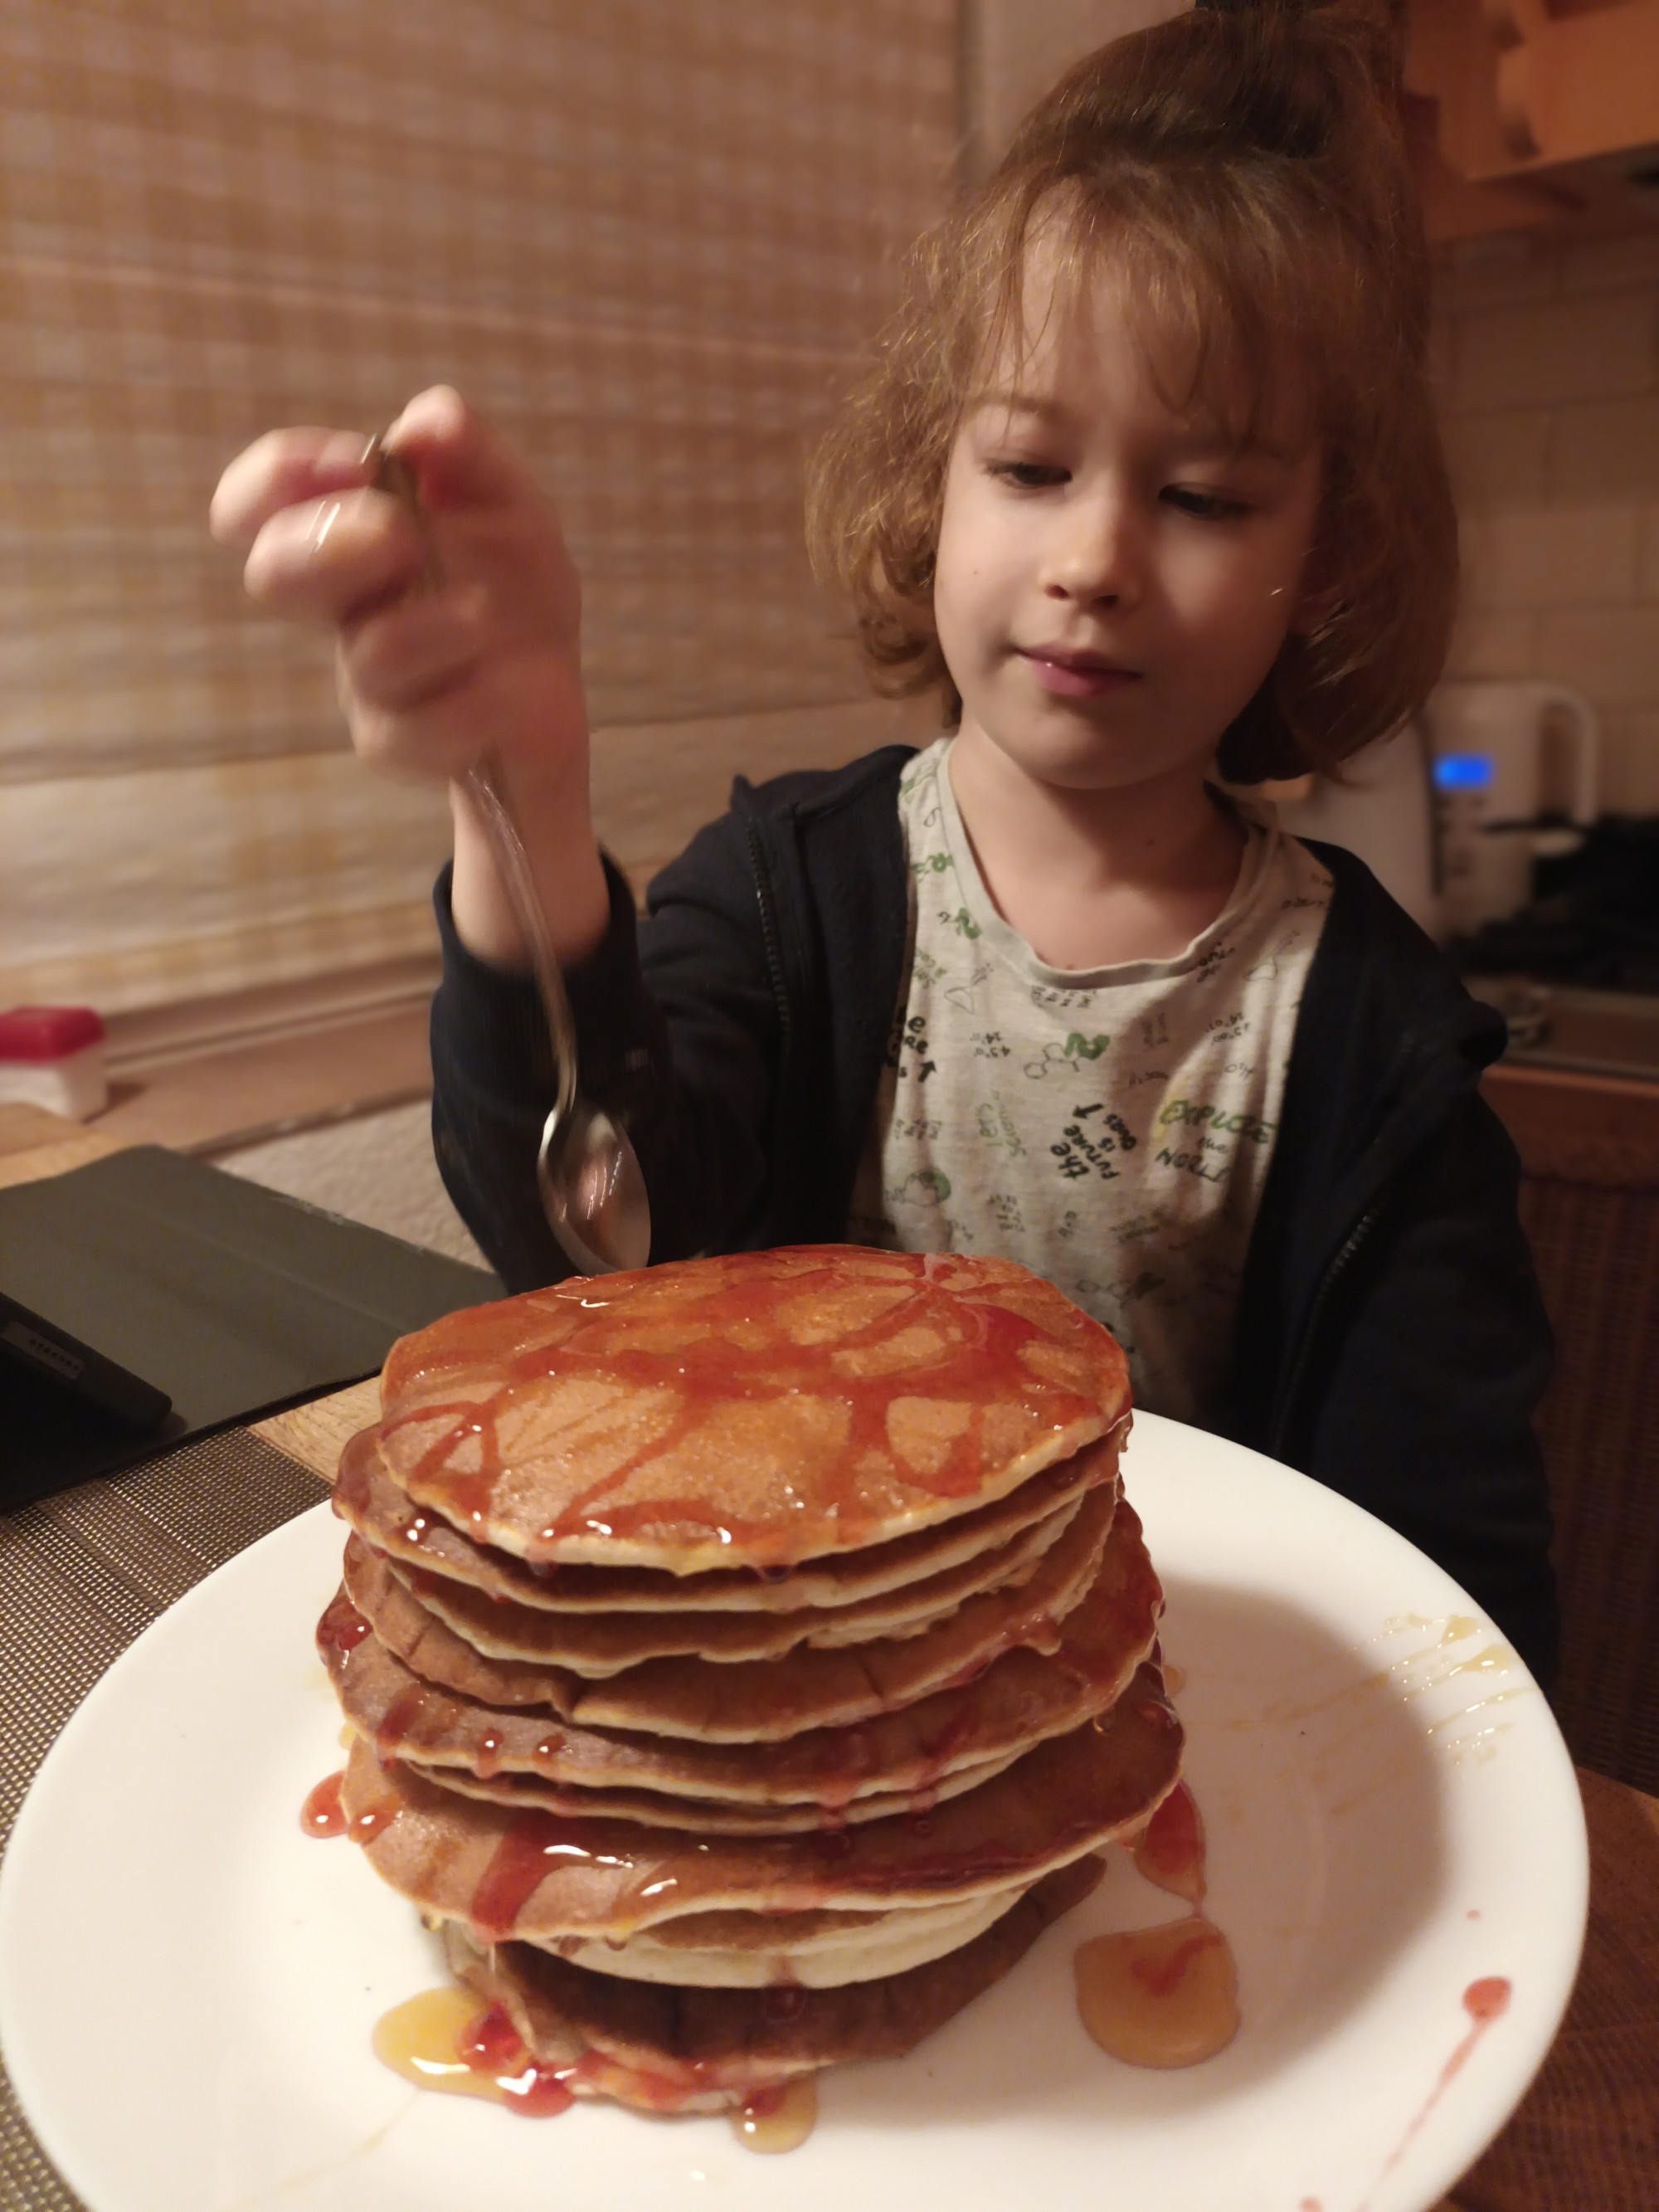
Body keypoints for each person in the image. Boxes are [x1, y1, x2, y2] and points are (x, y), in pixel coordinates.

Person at [211, 0, 1556, 1677]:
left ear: (1331, 560)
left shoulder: (1369, 1031)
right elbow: (596, 1238)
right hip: (795, 1707)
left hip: (1194, 1719)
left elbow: (1450, 1592)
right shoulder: (792, 890)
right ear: (936, 486)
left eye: (1202, 495)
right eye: (1031, 461)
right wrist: (520, 804)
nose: (1096, 556)